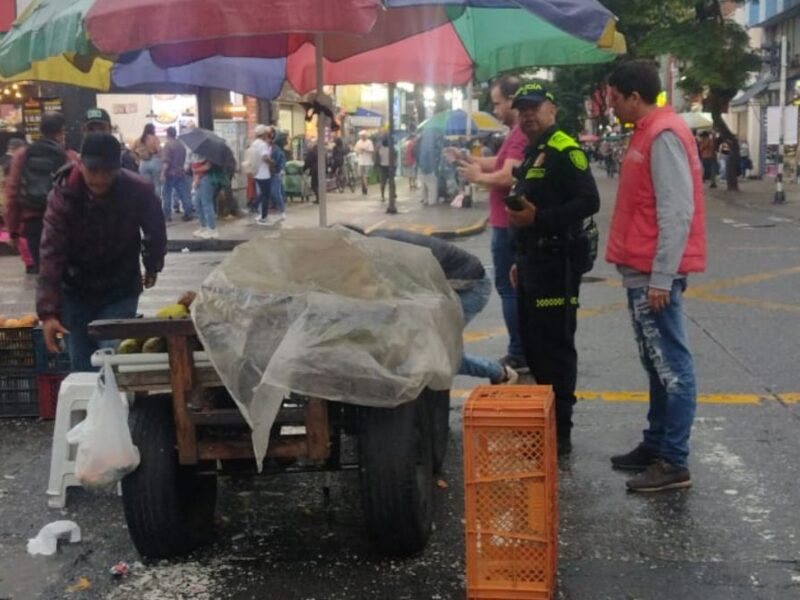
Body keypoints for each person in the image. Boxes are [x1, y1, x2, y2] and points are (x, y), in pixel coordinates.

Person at [606, 60, 706, 492]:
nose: (610, 107)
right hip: (642, 271)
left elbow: (677, 211)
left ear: (634, 97)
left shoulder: (663, 135)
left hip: (653, 275)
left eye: (614, 99)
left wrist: (662, 277)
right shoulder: (646, 131)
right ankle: (656, 444)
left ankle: (673, 461)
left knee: (672, 366)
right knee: (656, 363)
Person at [506, 82, 600, 456]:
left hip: (557, 263)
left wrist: (541, 219)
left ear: (552, 110)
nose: (527, 116)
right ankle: (542, 425)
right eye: (522, 110)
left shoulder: (564, 149)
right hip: (531, 262)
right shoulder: (534, 153)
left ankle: (560, 432)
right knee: (533, 346)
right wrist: (519, 257)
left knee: (555, 347)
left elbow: (588, 200)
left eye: (534, 108)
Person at [36, 133, 167, 371]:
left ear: (118, 168)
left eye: (107, 171)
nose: (99, 179)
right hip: (75, 290)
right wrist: (48, 313)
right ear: (80, 164)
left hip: (121, 286)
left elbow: (155, 230)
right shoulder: (63, 195)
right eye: (92, 170)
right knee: (82, 363)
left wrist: (152, 264)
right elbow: (51, 254)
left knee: (112, 358)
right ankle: (91, 408)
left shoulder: (138, 190)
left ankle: (119, 406)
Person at [361, 227, 519, 385]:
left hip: (469, 288)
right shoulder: (373, 242)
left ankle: (499, 372)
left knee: (434, 352)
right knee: (416, 346)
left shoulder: (380, 252)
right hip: (444, 288)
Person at [455, 75, 528, 372]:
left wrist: (478, 178)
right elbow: (499, 162)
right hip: (503, 221)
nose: (495, 110)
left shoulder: (521, 133)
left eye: (498, 103)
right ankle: (520, 350)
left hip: (507, 224)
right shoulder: (515, 132)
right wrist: (466, 159)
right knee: (510, 288)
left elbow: (509, 175)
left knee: (508, 289)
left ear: (513, 100)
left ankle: (518, 353)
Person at [5, 112, 74, 274]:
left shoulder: (23, 155)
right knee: (66, 276)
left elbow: (12, 195)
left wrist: (13, 231)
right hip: (61, 223)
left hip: (34, 224)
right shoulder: (68, 156)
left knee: (44, 274)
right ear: (61, 132)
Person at [0, 138, 34, 272]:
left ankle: (28, 261)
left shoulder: (3, 160)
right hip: (13, 199)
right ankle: (29, 261)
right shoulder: (14, 162)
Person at [160, 126, 194, 222]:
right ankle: (188, 213)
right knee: (184, 194)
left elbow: (166, 162)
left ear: (167, 134)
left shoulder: (167, 145)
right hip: (180, 173)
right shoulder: (181, 145)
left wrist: (162, 173)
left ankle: (167, 215)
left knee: (167, 195)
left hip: (170, 174)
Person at [191, 153, 226, 239]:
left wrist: (196, 170)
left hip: (208, 178)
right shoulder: (197, 153)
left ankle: (212, 229)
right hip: (201, 178)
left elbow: (208, 166)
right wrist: (196, 178)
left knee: (206, 203)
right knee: (198, 203)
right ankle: (204, 226)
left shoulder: (211, 153)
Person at [249, 124, 274, 225]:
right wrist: (272, 163)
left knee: (262, 193)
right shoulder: (262, 145)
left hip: (256, 172)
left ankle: (254, 206)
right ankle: (264, 216)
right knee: (266, 195)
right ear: (263, 134)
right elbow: (265, 158)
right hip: (264, 173)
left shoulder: (254, 143)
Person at [414, 128, 443, 205]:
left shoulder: (420, 141)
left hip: (422, 168)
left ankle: (425, 200)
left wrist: (419, 164)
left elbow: (416, 153)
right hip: (432, 170)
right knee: (432, 188)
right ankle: (431, 202)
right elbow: (439, 154)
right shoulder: (437, 140)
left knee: (424, 187)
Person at [134, 123, 162, 190]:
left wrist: (137, 159)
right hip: (154, 161)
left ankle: (148, 199)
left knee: (146, 185)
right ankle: (156, 200)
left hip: (143, 162)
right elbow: (158, 150)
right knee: (157, 184)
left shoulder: (139, 139)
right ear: (152, 129)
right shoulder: (155, 138)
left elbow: (132, 150)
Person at [269, 132, 287, 222]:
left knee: (276, 192)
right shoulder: (274, 149)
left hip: (273, 173)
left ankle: (282, 210)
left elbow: (281, 161)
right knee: (274, 193)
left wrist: (281, 169)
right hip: (269, 173)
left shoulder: (276, 150)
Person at [354, 130, 374, 195]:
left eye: (363, 136)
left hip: (367, 161)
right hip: (360, 161)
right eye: (361, 136)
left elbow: (371, 151)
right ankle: (363, 187)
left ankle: (365, 188)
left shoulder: (369, 142)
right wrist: (358, 151)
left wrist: (365, 150)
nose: (362, 137)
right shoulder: (358, 142)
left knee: (366, 175)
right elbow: (355, 150)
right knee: (361, 175)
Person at [377, 136, 392, 202]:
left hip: (382, 167)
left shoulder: (380, 149)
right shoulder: (391, 149)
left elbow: (378, 157)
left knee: (383, 183)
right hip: (390, 167)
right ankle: (393, 194)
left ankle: (382, 196)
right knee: (391, 181)